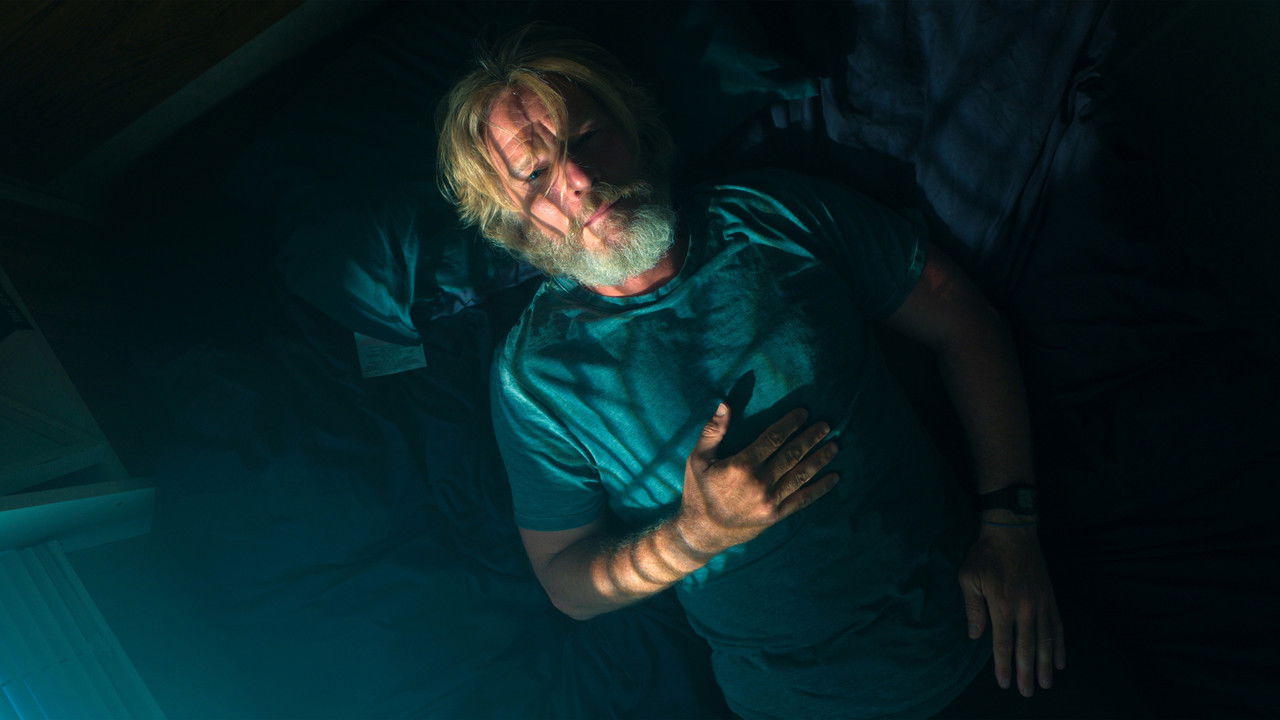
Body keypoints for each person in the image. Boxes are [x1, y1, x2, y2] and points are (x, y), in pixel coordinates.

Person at [437, 25, 1065, 719]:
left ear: (635, 129)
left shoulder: (774, 215)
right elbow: (566, 584)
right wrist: (694, 536)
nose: (579, 179)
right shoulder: (535, 378)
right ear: (511, 222)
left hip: (993, 640)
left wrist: (1011, 524)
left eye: (587, 137)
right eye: (535, 173)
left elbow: (963, 319)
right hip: (795, 704)